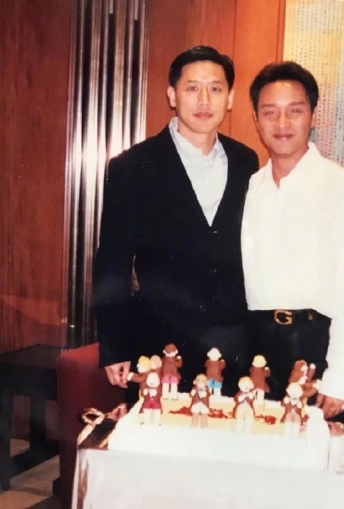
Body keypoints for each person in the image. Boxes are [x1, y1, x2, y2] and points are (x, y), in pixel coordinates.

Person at [93, 46, 259, 402]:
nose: (204, 100)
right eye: (192, 88)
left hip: (232, 343)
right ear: (172, 95)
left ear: (230, 98)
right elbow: (112, 262)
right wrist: (113, 346)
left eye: (215, 89)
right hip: (159, 341)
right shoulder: (132, 166)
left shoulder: (247, 161)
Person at [242, 61, 344, 423]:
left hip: (315, 346)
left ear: (312, 116)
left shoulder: (342, 188)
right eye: (270, 112)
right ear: (256, 120)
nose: (282, 123)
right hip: (256, 348)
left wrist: (342, 377)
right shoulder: (252, 188)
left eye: (294, 111)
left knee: (311, 454)